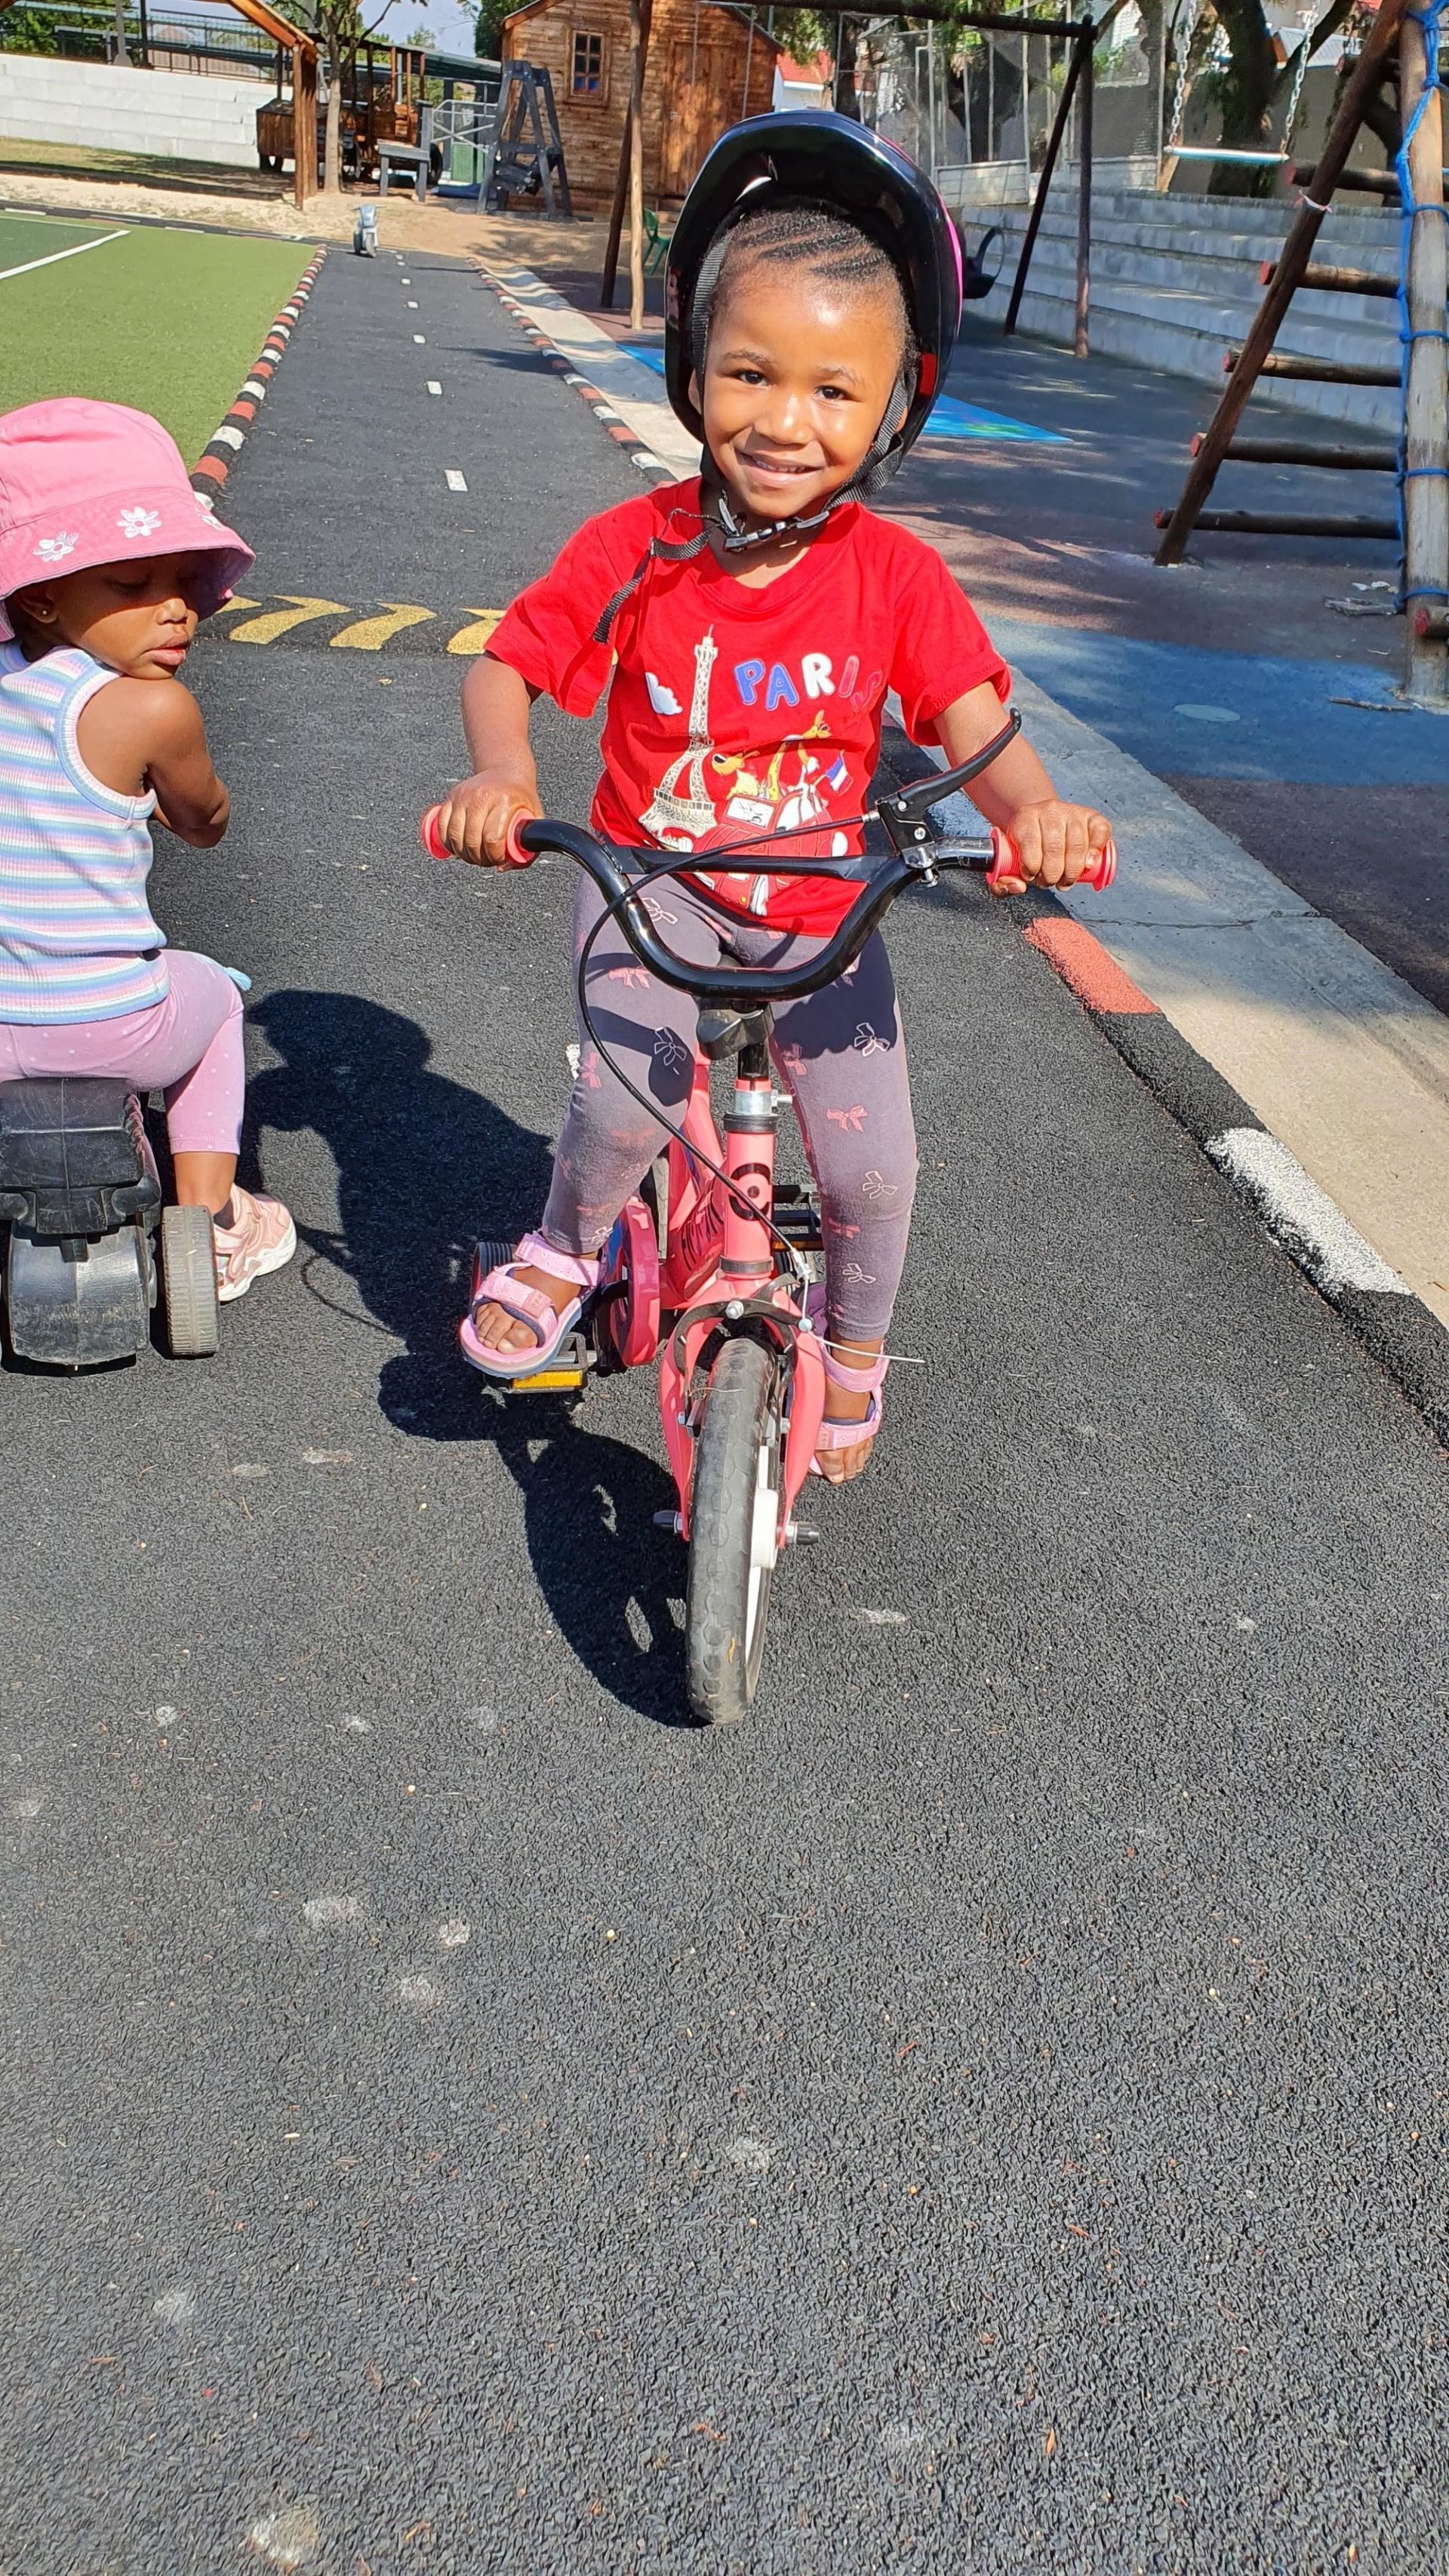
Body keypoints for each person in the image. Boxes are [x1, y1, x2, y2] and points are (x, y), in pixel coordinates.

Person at [433, 112, 1111, 1482]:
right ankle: (565, 1246)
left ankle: (854, 1354)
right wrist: (505, 773)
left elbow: (976, 719)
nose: (786, 422)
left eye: (832, 392)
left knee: (872, 1173)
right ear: (693, 368)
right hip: (647, 884)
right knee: (625, 1105)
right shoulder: (641, 547)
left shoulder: (894, 578)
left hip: (823, 909)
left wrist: (1035, 810)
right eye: (750, 373)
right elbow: (512, 663)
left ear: (895, 405)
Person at [0, 399, 294, 1302]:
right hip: (111, 1022)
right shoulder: (151, 710)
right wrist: (160, 803)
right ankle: (206, 1227)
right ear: (42, 593)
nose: (175, 609)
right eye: (133, 586)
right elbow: (206, 821)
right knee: (213, 999)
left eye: (183, 581)